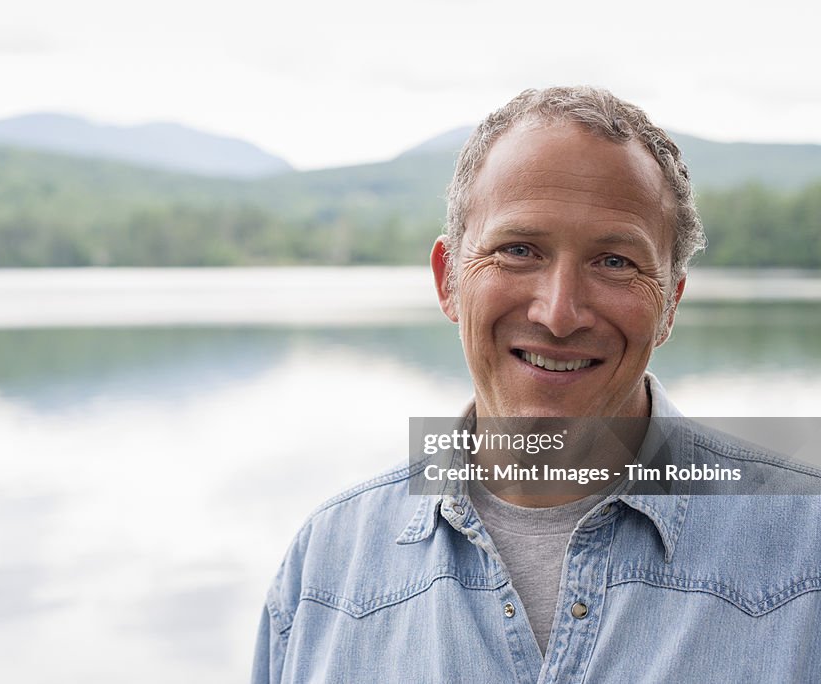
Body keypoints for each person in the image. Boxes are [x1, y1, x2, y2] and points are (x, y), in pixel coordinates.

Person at [252, 86, 821, 682]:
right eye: (518, 250)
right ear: (449, 281)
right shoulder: (324, 570)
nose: (559, 312)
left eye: (614, 262)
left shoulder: (806, 548)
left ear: (670, 303)